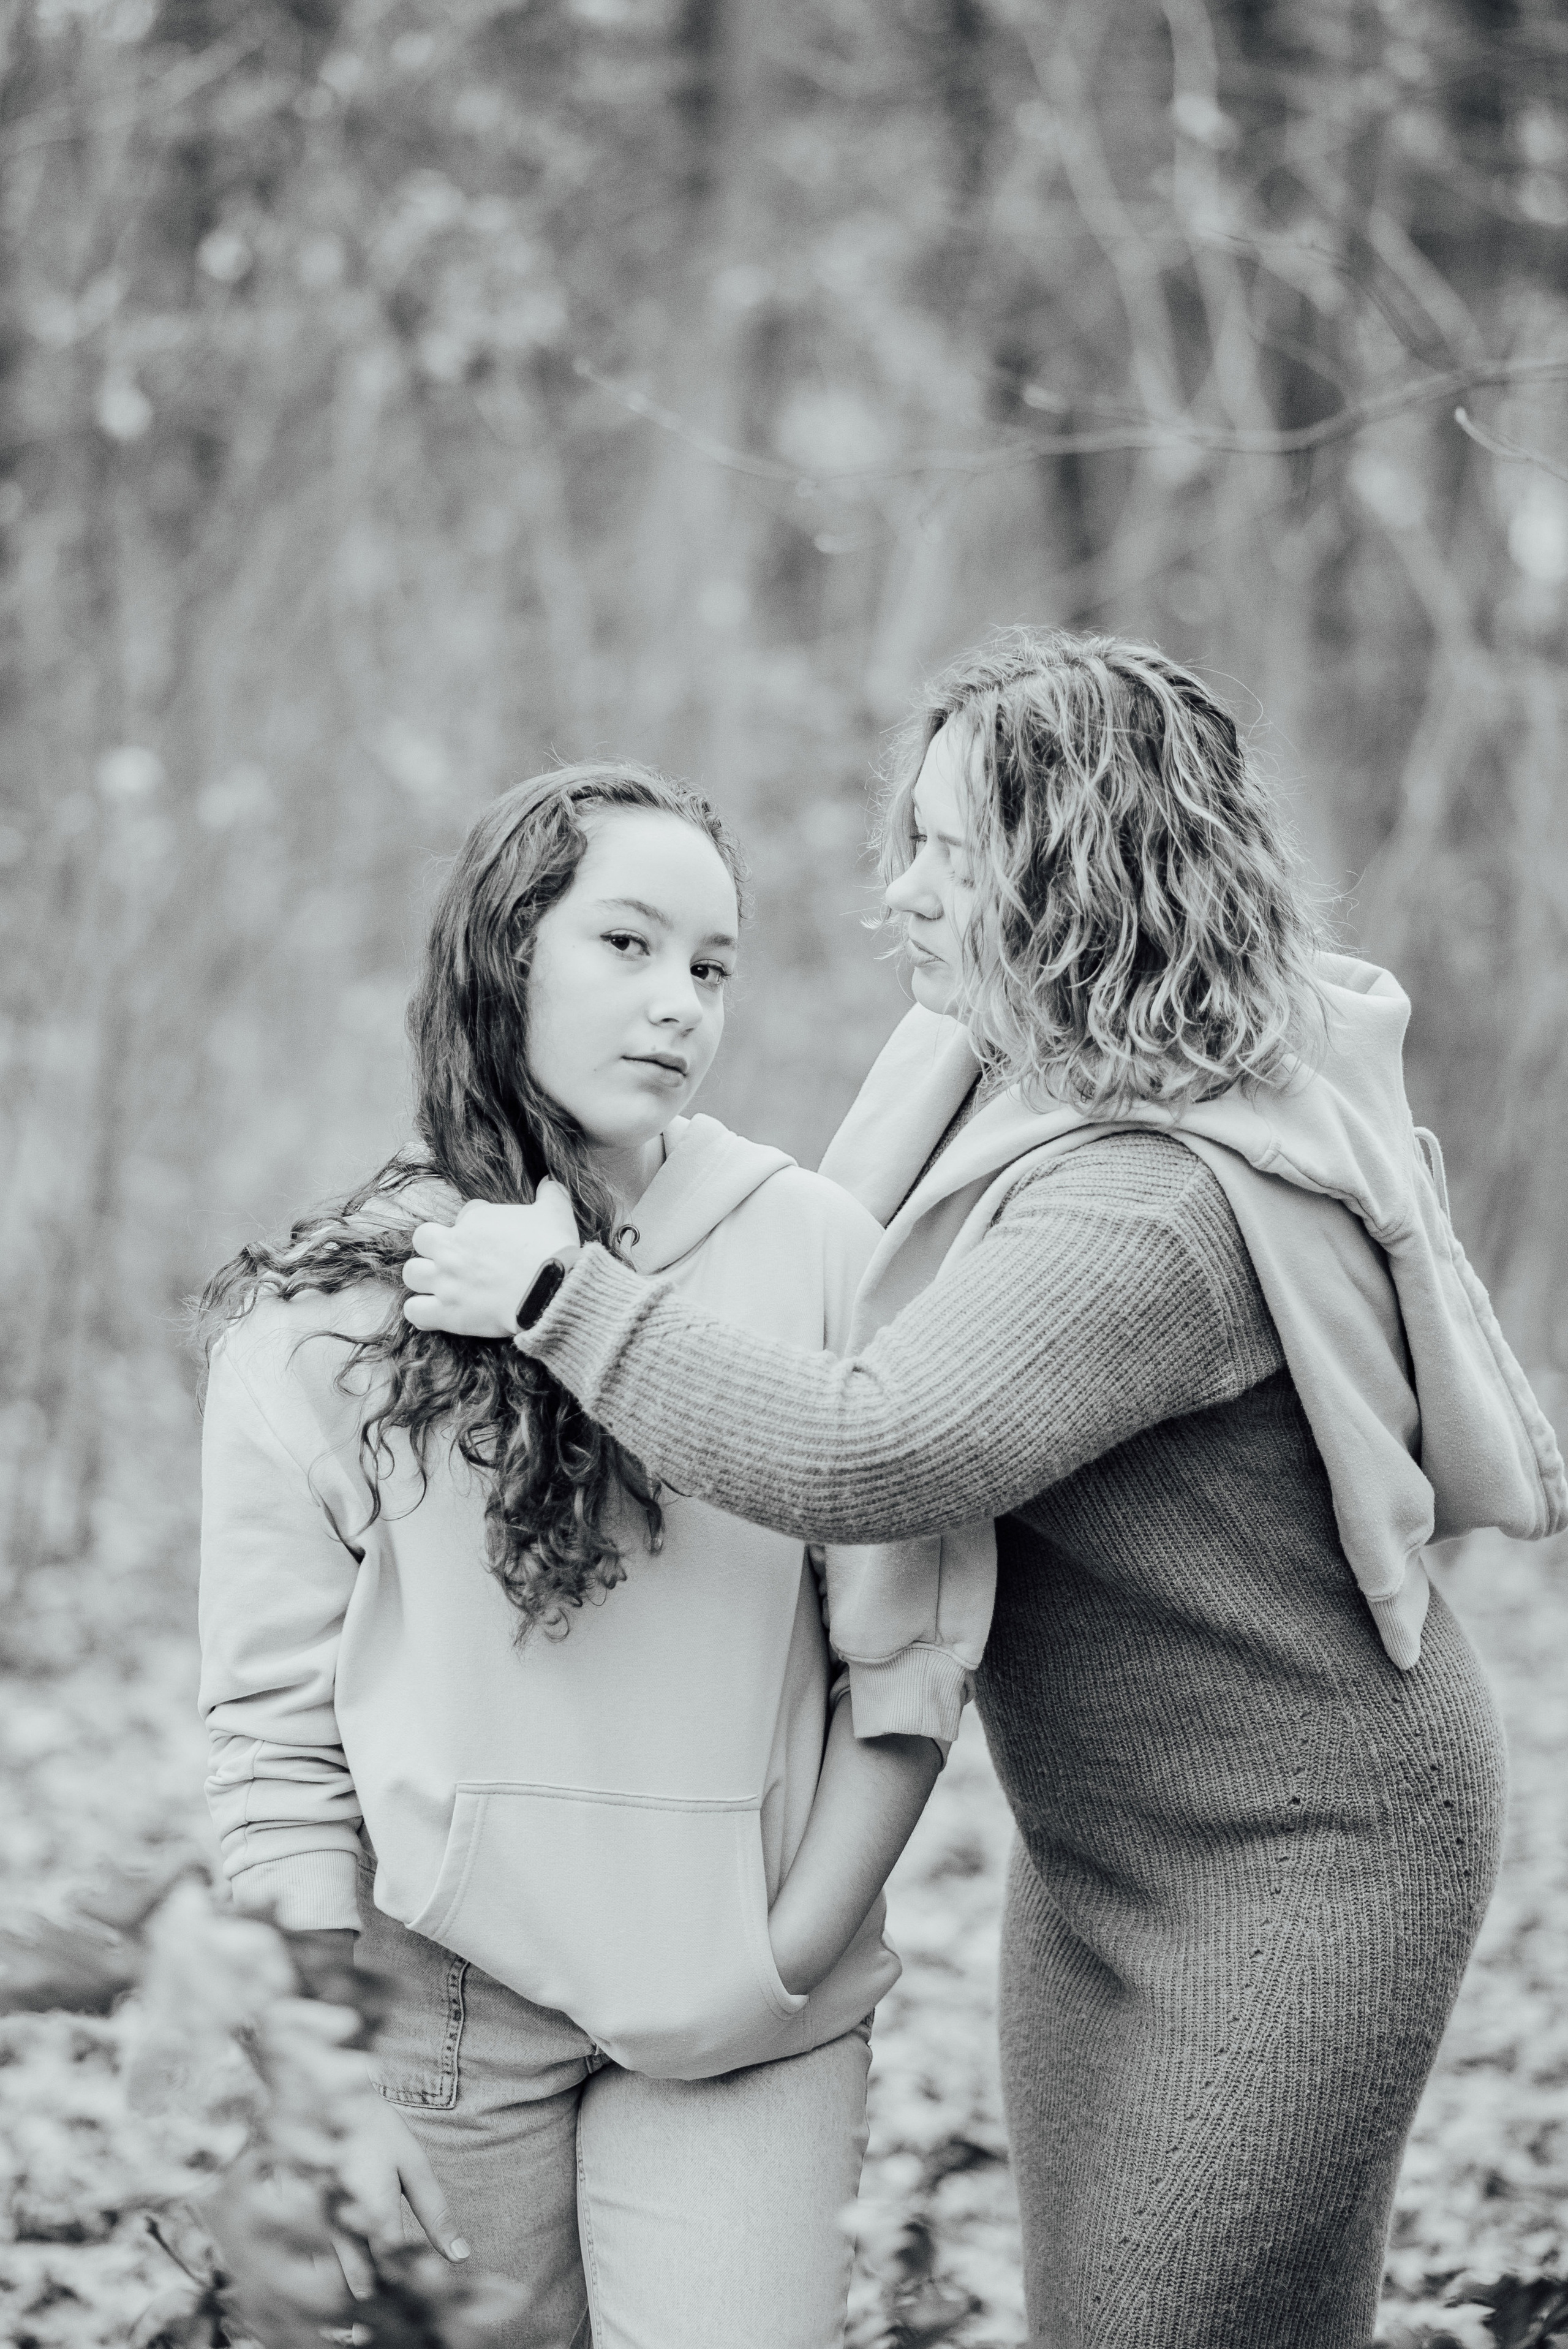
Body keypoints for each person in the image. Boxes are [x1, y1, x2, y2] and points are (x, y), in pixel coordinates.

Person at [402, 632, 1567, 2349]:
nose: (904, 894)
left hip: (1307, 1860)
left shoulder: (1153, 1202)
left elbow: (880, 1447)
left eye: (949, 852)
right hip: (1110, 1849)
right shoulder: (1016, 1082)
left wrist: (565, 1300)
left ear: (1067, 867)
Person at [196, 763, 946, 2349]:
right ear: (505, 951)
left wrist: (782, 1955)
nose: (679, 999)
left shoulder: (816, 1248)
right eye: (628, 942)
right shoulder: (327, 1312)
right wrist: (323, 2076)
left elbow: (909, 1654)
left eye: (713, 963)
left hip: (754, 2007)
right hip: (442, 2008)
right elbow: (270, 1735)